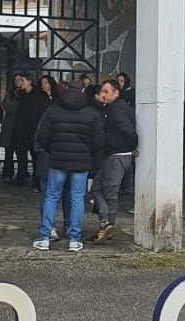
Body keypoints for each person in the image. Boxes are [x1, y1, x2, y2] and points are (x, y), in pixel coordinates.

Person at [33, 82, 104, 252]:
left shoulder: (52, 111)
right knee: (78, 198)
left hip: (57, 160)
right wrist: (87, 152)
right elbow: (98, 141)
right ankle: (74, 239)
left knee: (51, 197)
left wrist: (54, 149)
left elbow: (42, 136)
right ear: (82, 91)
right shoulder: (91, 113)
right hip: (81, 162)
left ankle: (45, 238)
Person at [91, 78, 137, 245]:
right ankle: (105, 225)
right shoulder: (119, 107)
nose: (102, 95)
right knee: (97, 187)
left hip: (117, 155)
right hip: (116, 154)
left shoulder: (117, 110)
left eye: (106, 92)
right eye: (102, 91)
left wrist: (131, 146)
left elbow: (129, 130)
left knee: (109, 192)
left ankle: (106, 225)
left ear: (116, 93)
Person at [30, 74, 58, 193]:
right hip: (41, 128)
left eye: (46, 82)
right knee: (39, 159)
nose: (43, 85)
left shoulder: (57, 97)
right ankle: (37, 182)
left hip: (54, 131)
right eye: (42, 83)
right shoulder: (38, 97)